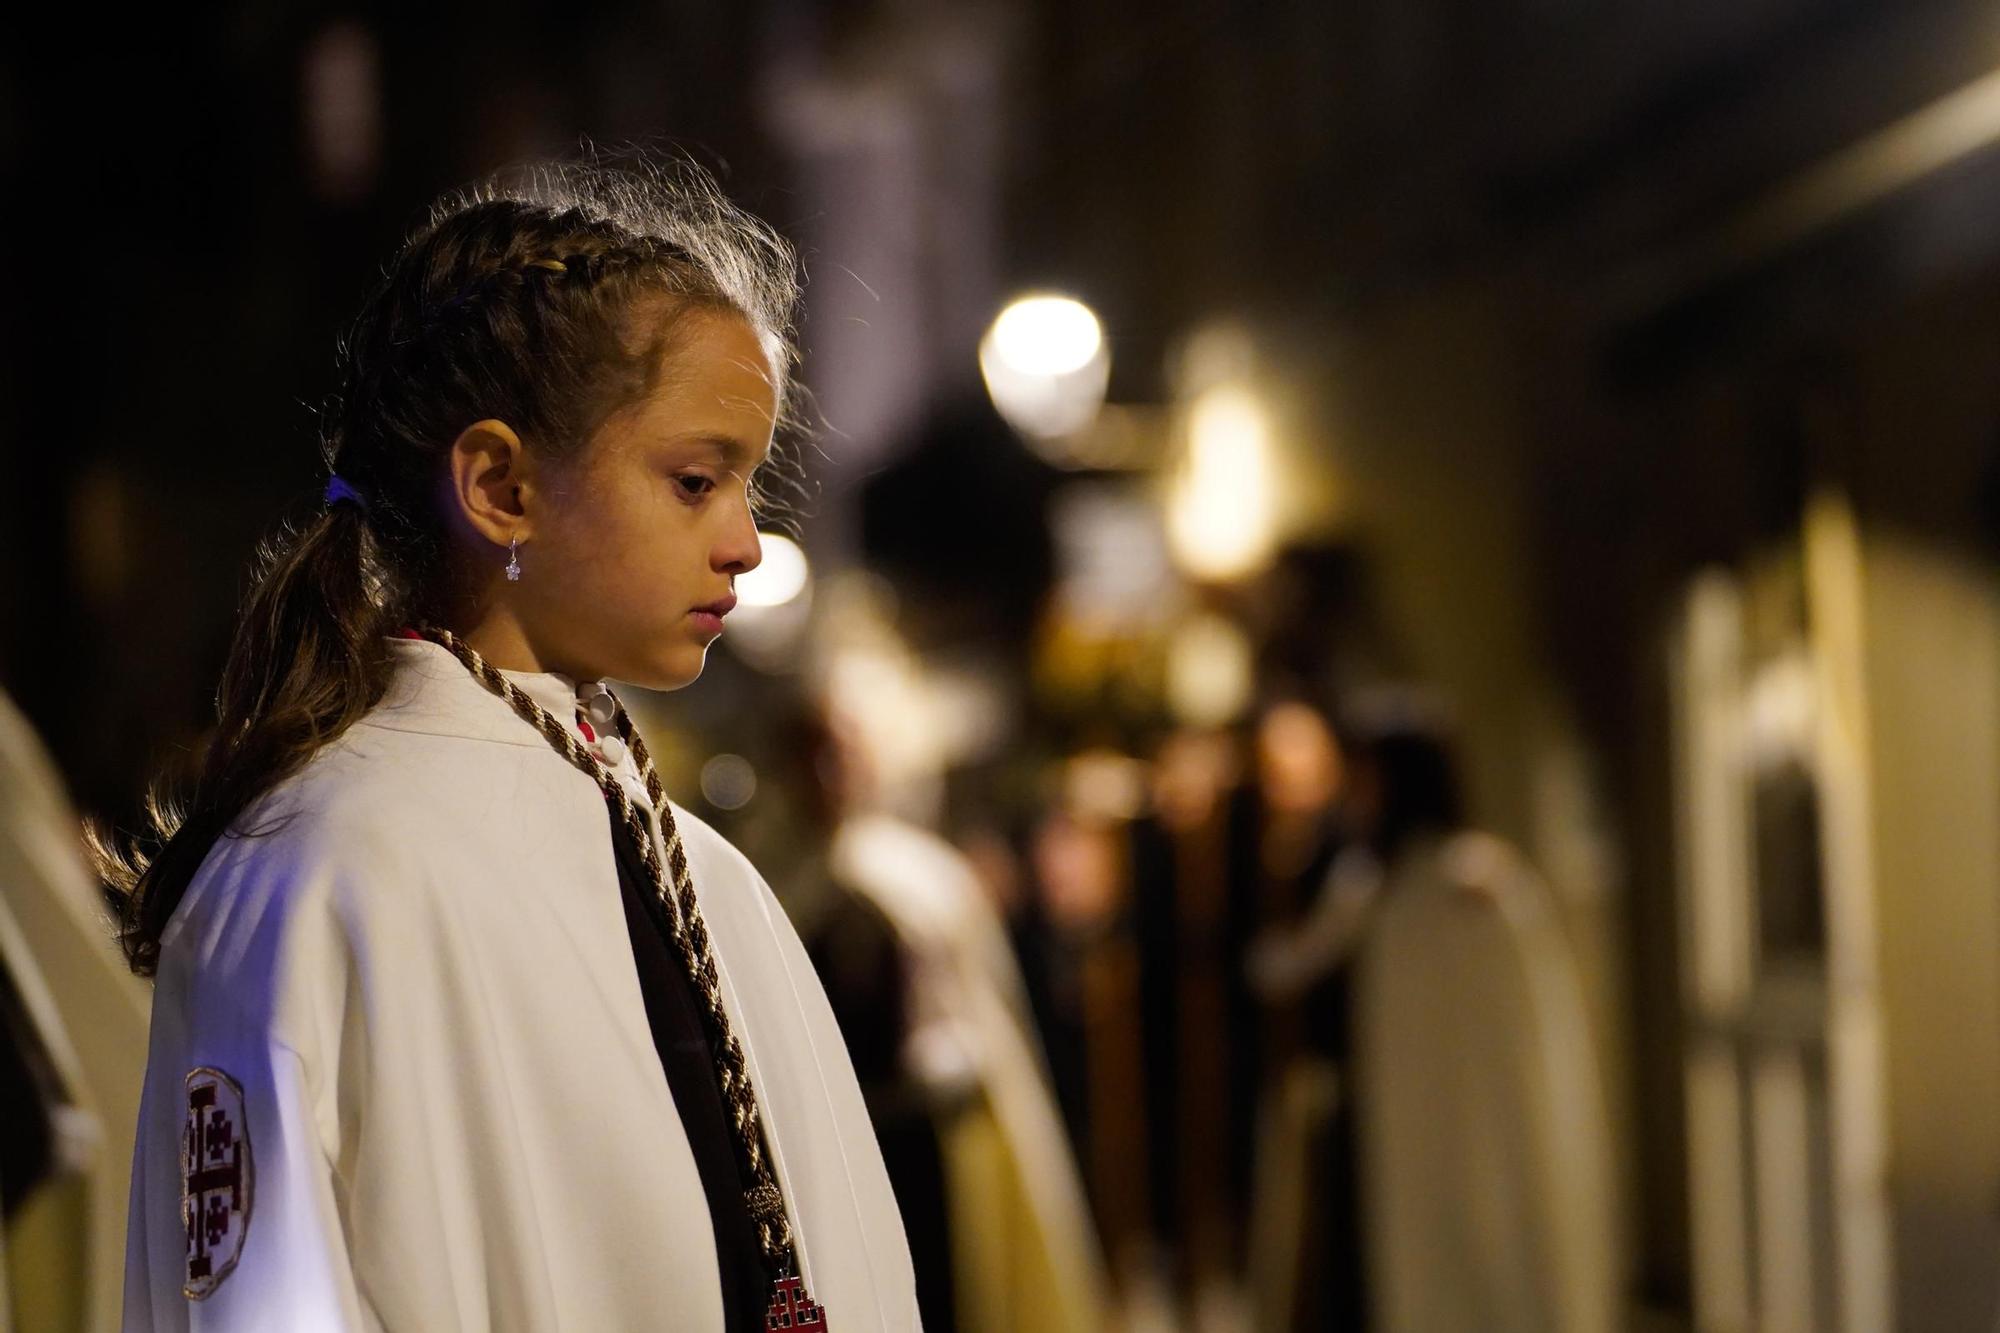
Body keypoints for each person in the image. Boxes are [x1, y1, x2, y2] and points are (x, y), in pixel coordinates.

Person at [94, 149, 918, 1331]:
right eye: (695, 480)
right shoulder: (329, 865)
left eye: (747, 483)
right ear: (498, 488)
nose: (744, 541)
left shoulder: (707, 877)